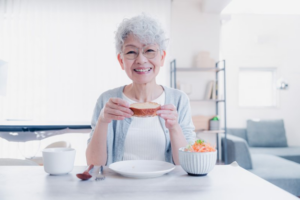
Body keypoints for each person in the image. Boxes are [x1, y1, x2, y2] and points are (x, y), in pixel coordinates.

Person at [86, 14, 195, 166]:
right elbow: (93, 165)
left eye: (149, 50)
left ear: (162, 57)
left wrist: (174, 127)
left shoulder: (179, 100)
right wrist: (102, 121)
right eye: (131, 52)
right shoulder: (107, 100)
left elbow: (188, 164)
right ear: (121, 60)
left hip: (166, 189)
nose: (141, 60)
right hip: (119, 187)